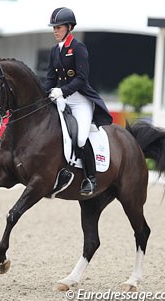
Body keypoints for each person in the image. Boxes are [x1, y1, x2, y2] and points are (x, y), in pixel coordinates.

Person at [44, 7, 113, 196]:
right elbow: (50, 78)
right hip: (61, 99)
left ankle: (90, 178)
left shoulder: (78, 47)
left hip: (80, 100)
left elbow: (81, 78)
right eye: (54, 28)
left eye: (58, 27)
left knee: (81, 138)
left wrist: (62, 91)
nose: (55, 31)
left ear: (69, 27)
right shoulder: (54, 50)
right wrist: (44, 94)